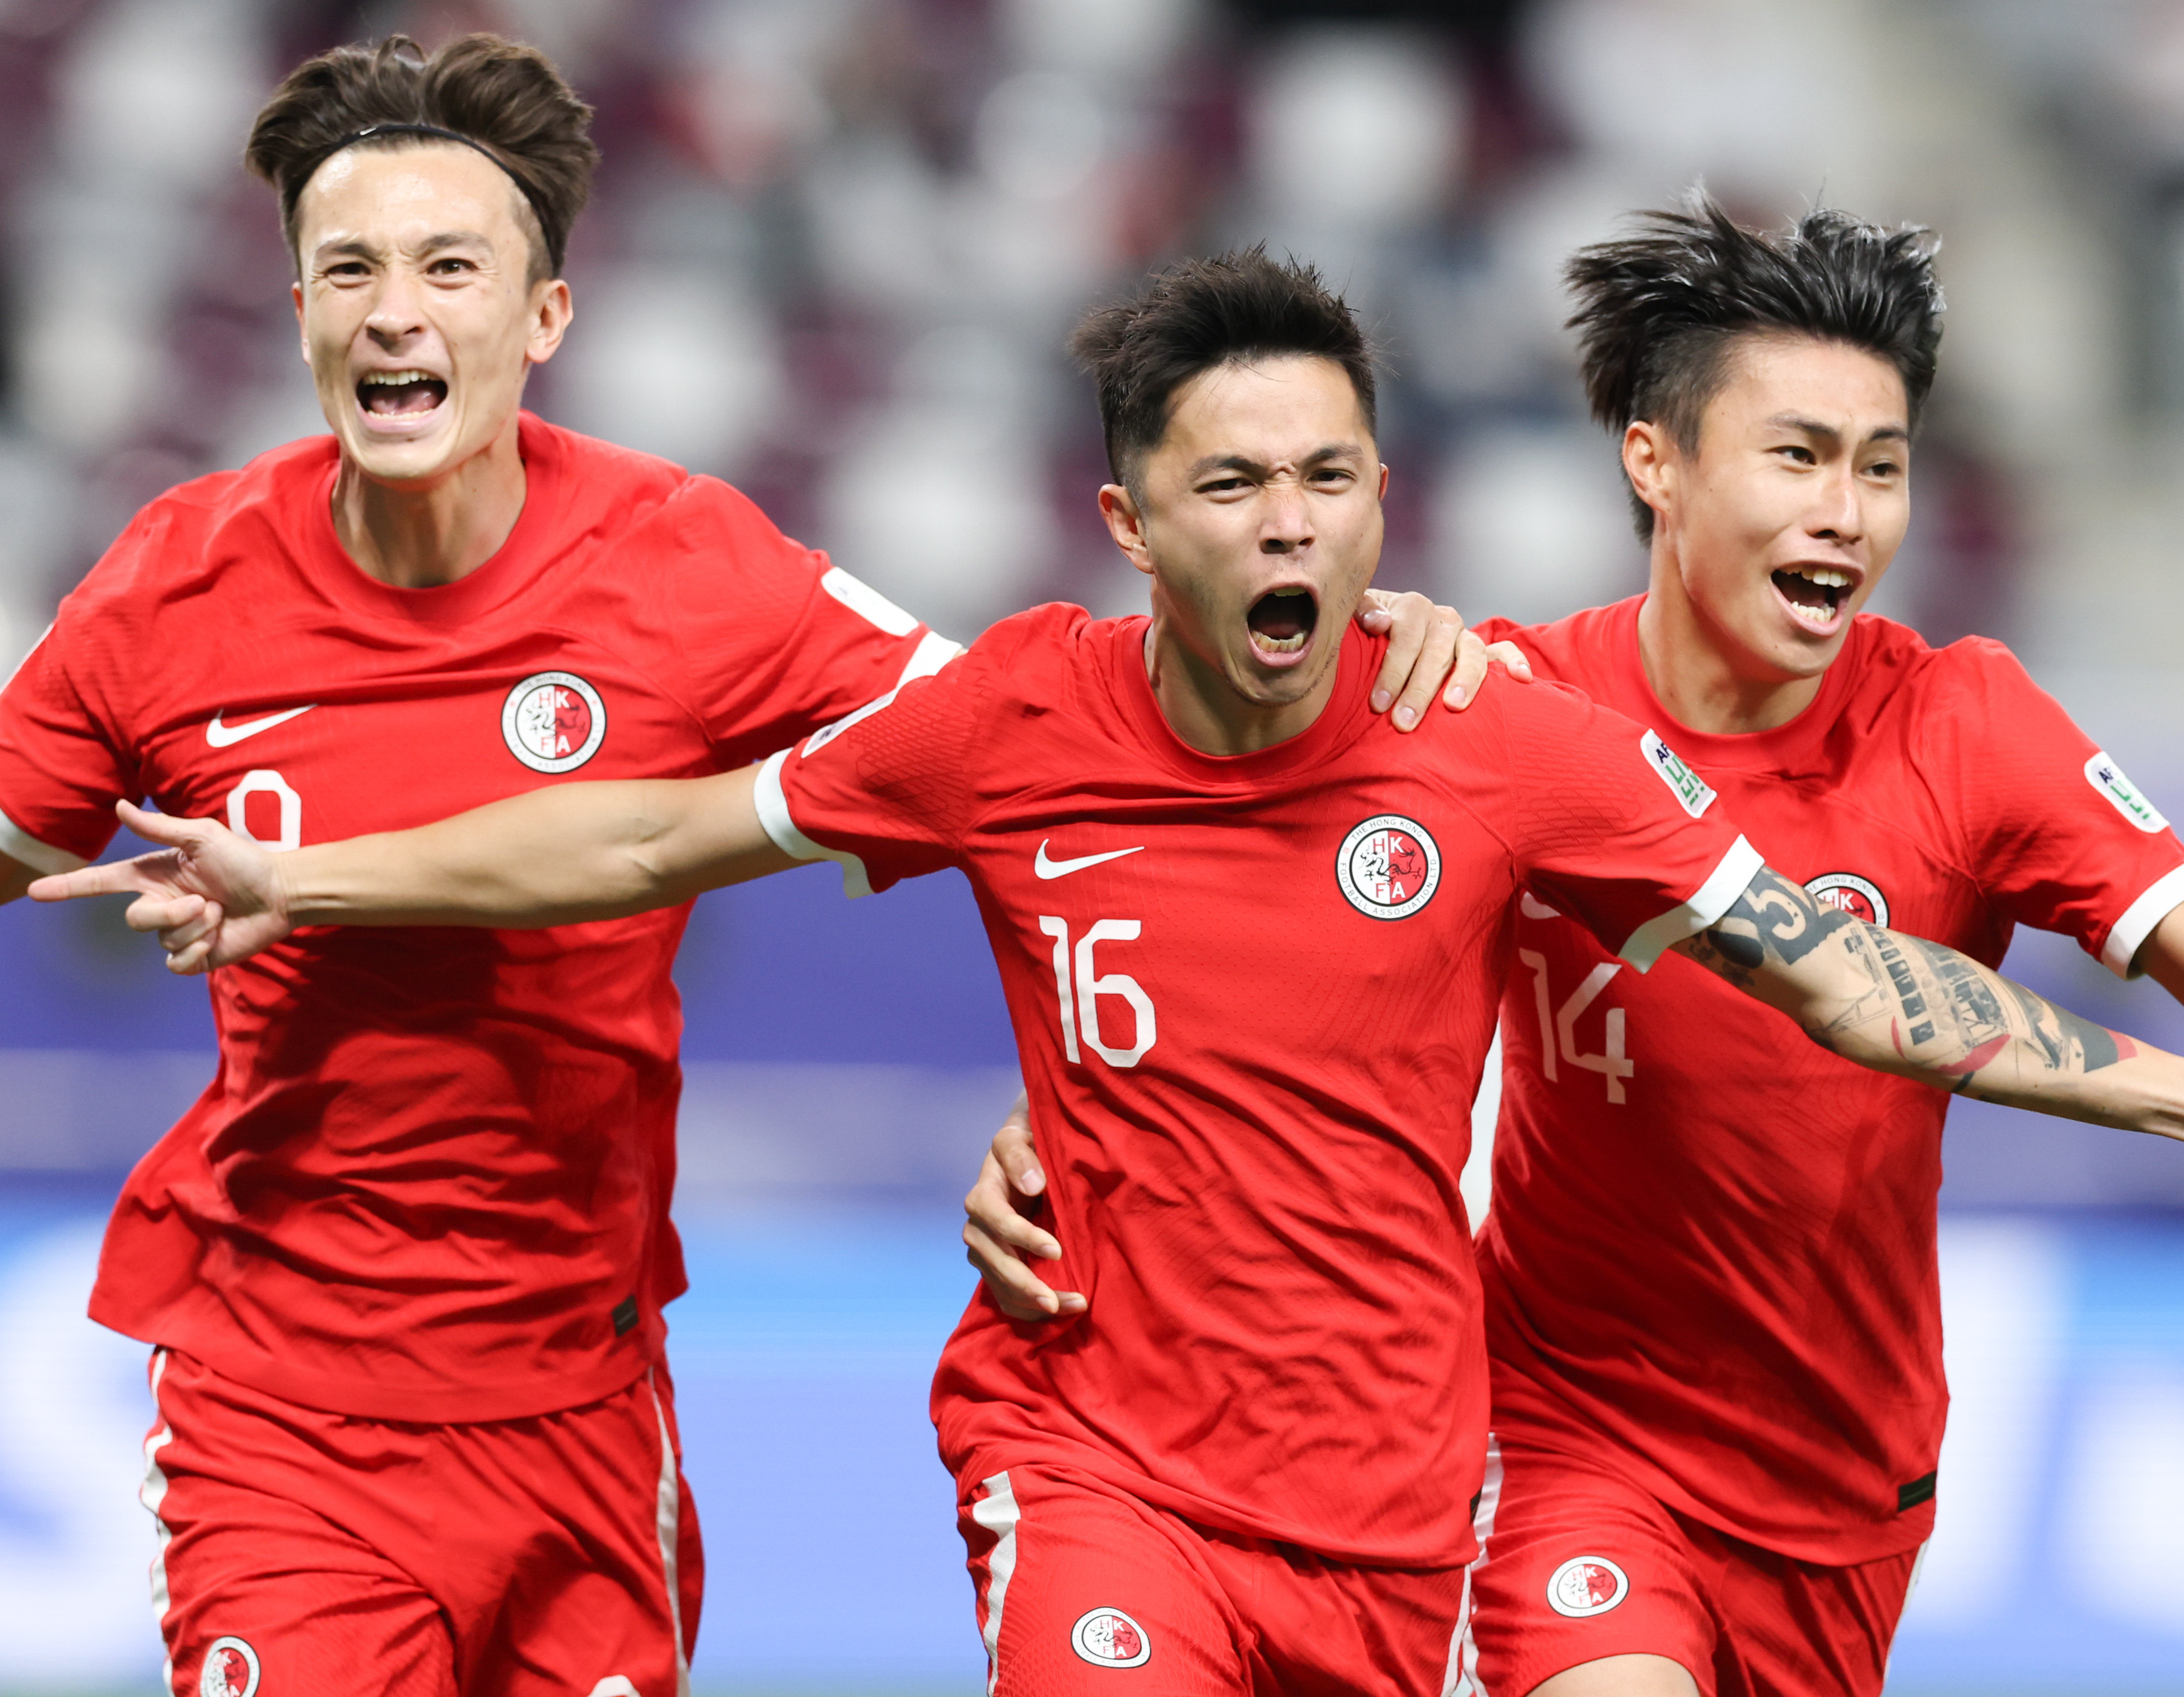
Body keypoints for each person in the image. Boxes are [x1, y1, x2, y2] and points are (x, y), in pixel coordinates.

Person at [38, 249, 2184, 1697]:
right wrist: (319, 879)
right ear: (1131, 521)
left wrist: (2176, 1093)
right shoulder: (1010, 721)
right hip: (1098, 1453)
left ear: (1384, 500)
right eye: (1235, 489)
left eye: (1332, 484)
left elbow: (1844, 978)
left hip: (1393, 1503)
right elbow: (657, 828)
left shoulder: (1507, 739)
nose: (1291, 529)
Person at [0, 31, 1488, 1697]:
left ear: (542, 317)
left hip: (582, 1403)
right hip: (284, 1408)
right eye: (346, 268)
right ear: (297, 317)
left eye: (448, 267)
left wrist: (1345, 673)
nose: (393, 308)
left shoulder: (685, 564)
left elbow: (1039, 752)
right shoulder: (175, 585)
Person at [951, 200, 2184, 1697]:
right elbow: (1239, 921)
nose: (1845, 509)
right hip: (1562, 1433)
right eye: (1799, 455)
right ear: (1656, 461)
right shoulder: (1496, 711)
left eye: (1880, 466)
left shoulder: (1968, 728)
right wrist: (1077, 1130)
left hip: (1846, 1478)